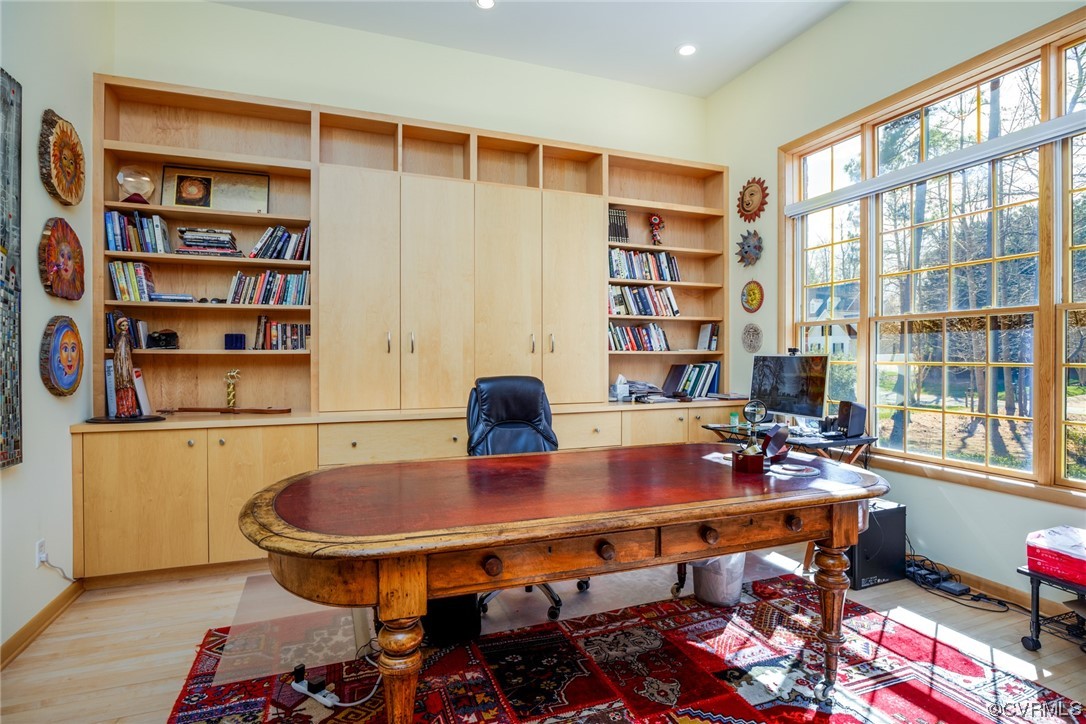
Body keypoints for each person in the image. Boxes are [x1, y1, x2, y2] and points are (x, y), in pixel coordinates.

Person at [113, 314, 139, 418]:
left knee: (129, 384)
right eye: (123, 325)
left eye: (126, 325)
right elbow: (114, 348)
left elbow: (131, 348)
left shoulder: (129, 337)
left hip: (127, 362)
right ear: (119, 326)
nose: (125, 327)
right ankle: (122, 410)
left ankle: (131, 409)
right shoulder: (116, 337)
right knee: (121, 384)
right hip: (119, 363)